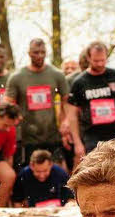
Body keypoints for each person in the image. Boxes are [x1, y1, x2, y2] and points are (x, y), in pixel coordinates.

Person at [6, 38, 70, 167]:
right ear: (29, 53)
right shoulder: (17, 77)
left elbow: (66, 102)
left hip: (52, 135)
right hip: (27, 137)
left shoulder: (56, 74)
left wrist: (66, 121)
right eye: (36, 52)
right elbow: (8, 104)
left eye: (42, 52)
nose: (39, 56)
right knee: (33, 174)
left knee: (57, 172)